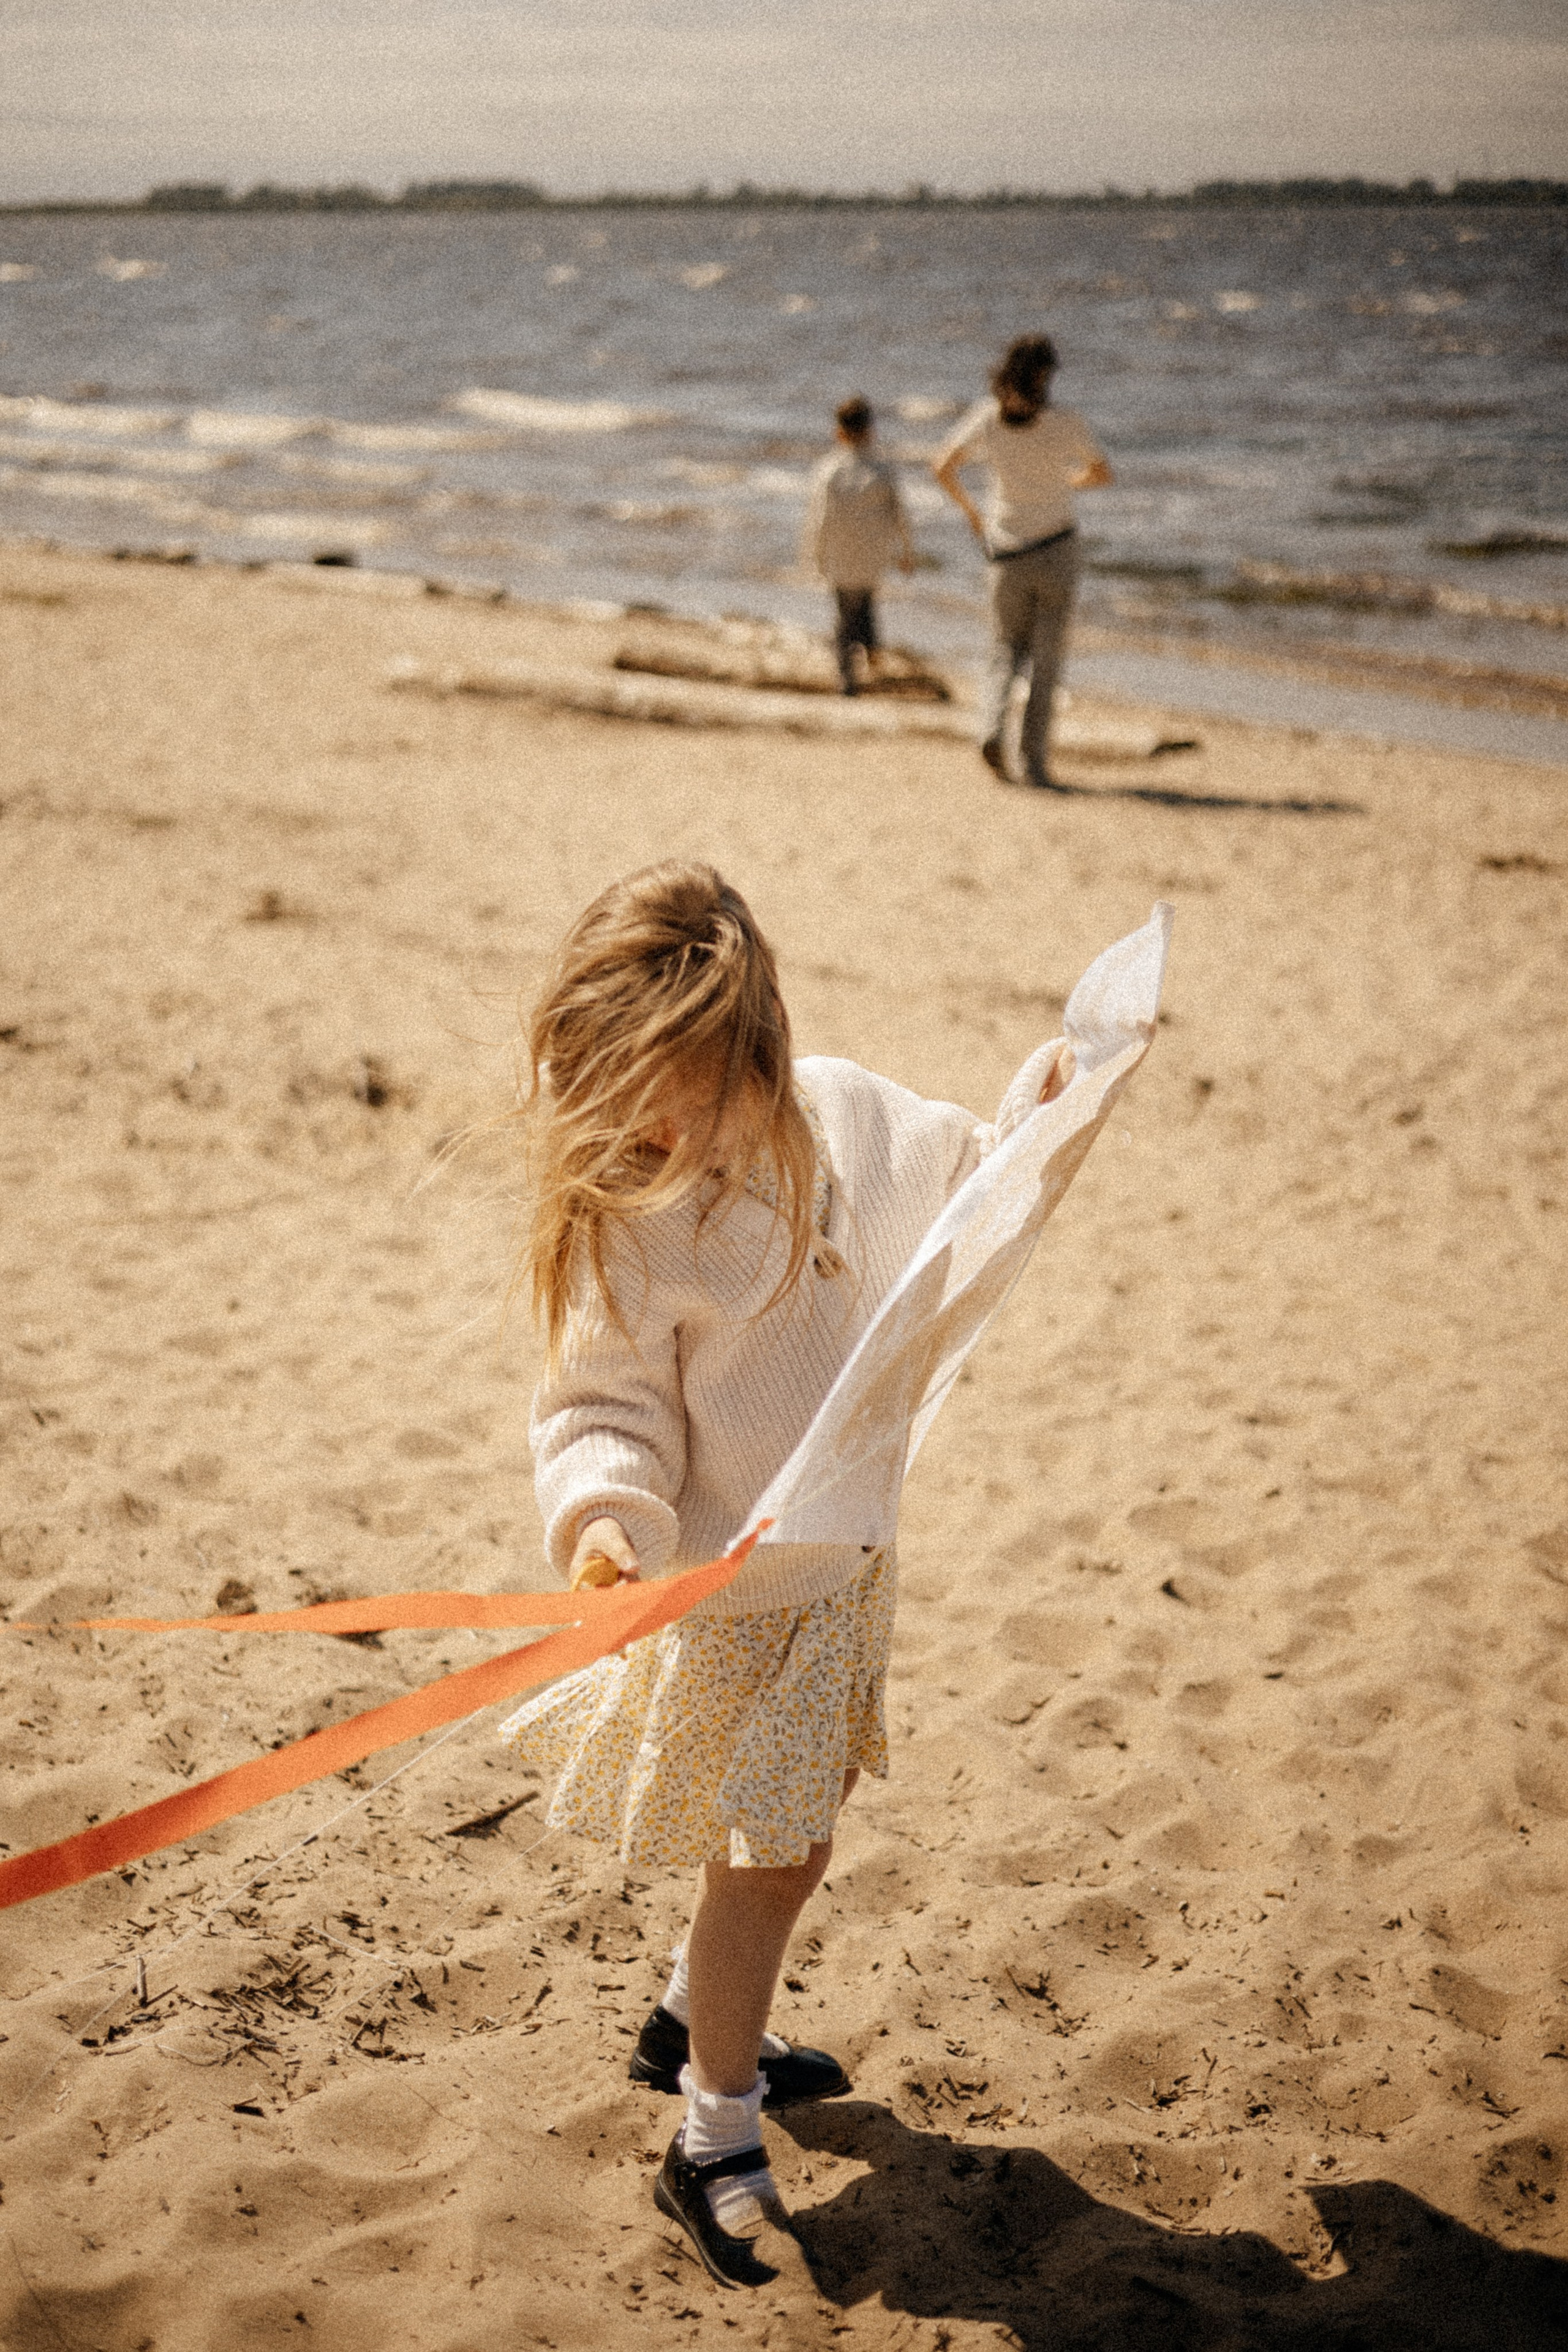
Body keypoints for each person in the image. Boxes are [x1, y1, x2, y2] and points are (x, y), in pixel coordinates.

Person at [499, 861, 1075, 2288]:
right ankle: (707, 2128)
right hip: (728, 1595)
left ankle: (695, 2013)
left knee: (792, 1836)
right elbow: (596, 1405)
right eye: (618, 1092)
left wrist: (1043, 1107)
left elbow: (965, 1182)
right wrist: (603, 1522)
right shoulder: (632, 1209)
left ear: (748, 1051)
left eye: (671, 1092)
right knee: (768, 1856)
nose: (642, 1127)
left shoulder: (844, 1120)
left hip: (836, 1565)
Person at [933, 334, 1113, 791]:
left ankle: (991, 731)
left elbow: (942, 466)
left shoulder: (988, 419)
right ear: (1047, 376)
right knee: (1046, 666)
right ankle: (1033, 764)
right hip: (1056, 547)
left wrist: (974, 513)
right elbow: (1102, 473)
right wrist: (1066, 481)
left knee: (1003, 651)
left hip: (1007, 551)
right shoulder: (1065, 422)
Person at [801, 394, 914, 695]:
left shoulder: (830, 471)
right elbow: (901, 514)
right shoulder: (883, 470)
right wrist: (907, 550)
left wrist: (813, 556)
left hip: (840, 553)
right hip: (873, 554)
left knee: (844, 614)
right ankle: (872, 652)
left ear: (838, 432)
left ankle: (847, 678)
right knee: (864, 602)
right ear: (871, 430)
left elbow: (819, 519)